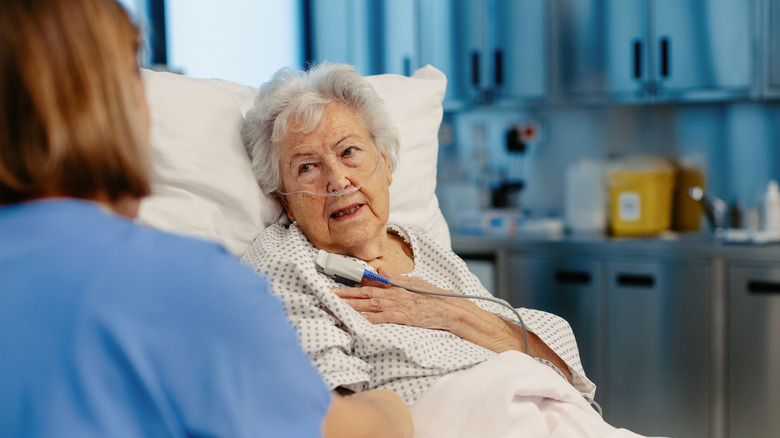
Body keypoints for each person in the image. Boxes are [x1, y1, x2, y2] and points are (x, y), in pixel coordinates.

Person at [0, 1, 412, 437]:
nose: (337, 180)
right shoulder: (183, 287)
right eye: (136, 80)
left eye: (349, 152)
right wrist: (391, 409)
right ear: (114, 105)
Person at [240, 64, 650, 437]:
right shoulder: (287, 266)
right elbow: (336, 419)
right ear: (286, 199)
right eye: (307, 167)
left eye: (348, 151)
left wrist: (452, 312)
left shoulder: (422, 245)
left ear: (385, 165)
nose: (338, 179)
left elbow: (562, 376)